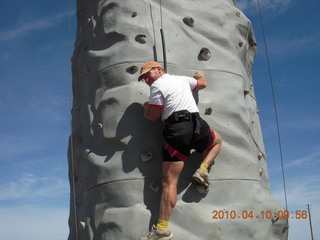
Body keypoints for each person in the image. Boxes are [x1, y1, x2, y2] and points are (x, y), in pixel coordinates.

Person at [138, 61, 222, 240]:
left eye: (147, 75)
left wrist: (146, 108)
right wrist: (199, 76)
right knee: (216, 141)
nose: (146, 80)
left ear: (159, 70)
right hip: (197, 125)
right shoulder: (182, 80)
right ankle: (203, 170)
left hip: (177, 130)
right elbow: (203, 83)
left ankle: (162, 230)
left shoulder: (157, 86)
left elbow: (153, 116)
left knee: (169, 183)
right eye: (144, 78)